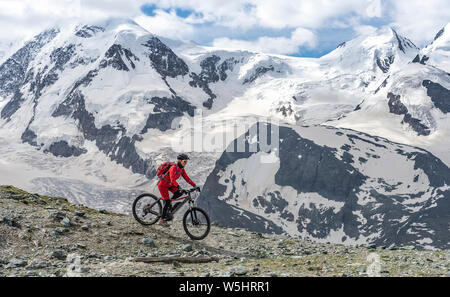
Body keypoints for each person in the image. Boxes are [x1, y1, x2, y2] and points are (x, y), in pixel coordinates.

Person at [157, 153, 197, 226]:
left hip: (170, 185)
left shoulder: (181, 169)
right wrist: (179, 187)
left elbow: (187, 178)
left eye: (186, 162)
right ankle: (162, 220)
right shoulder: (173, 168)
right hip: (163, 185)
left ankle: (169, 205)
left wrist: (194, 185)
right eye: (184, 161)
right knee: (167, 201)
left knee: (179, 193)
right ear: (179, 161)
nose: (185, 163)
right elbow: (172, 180)